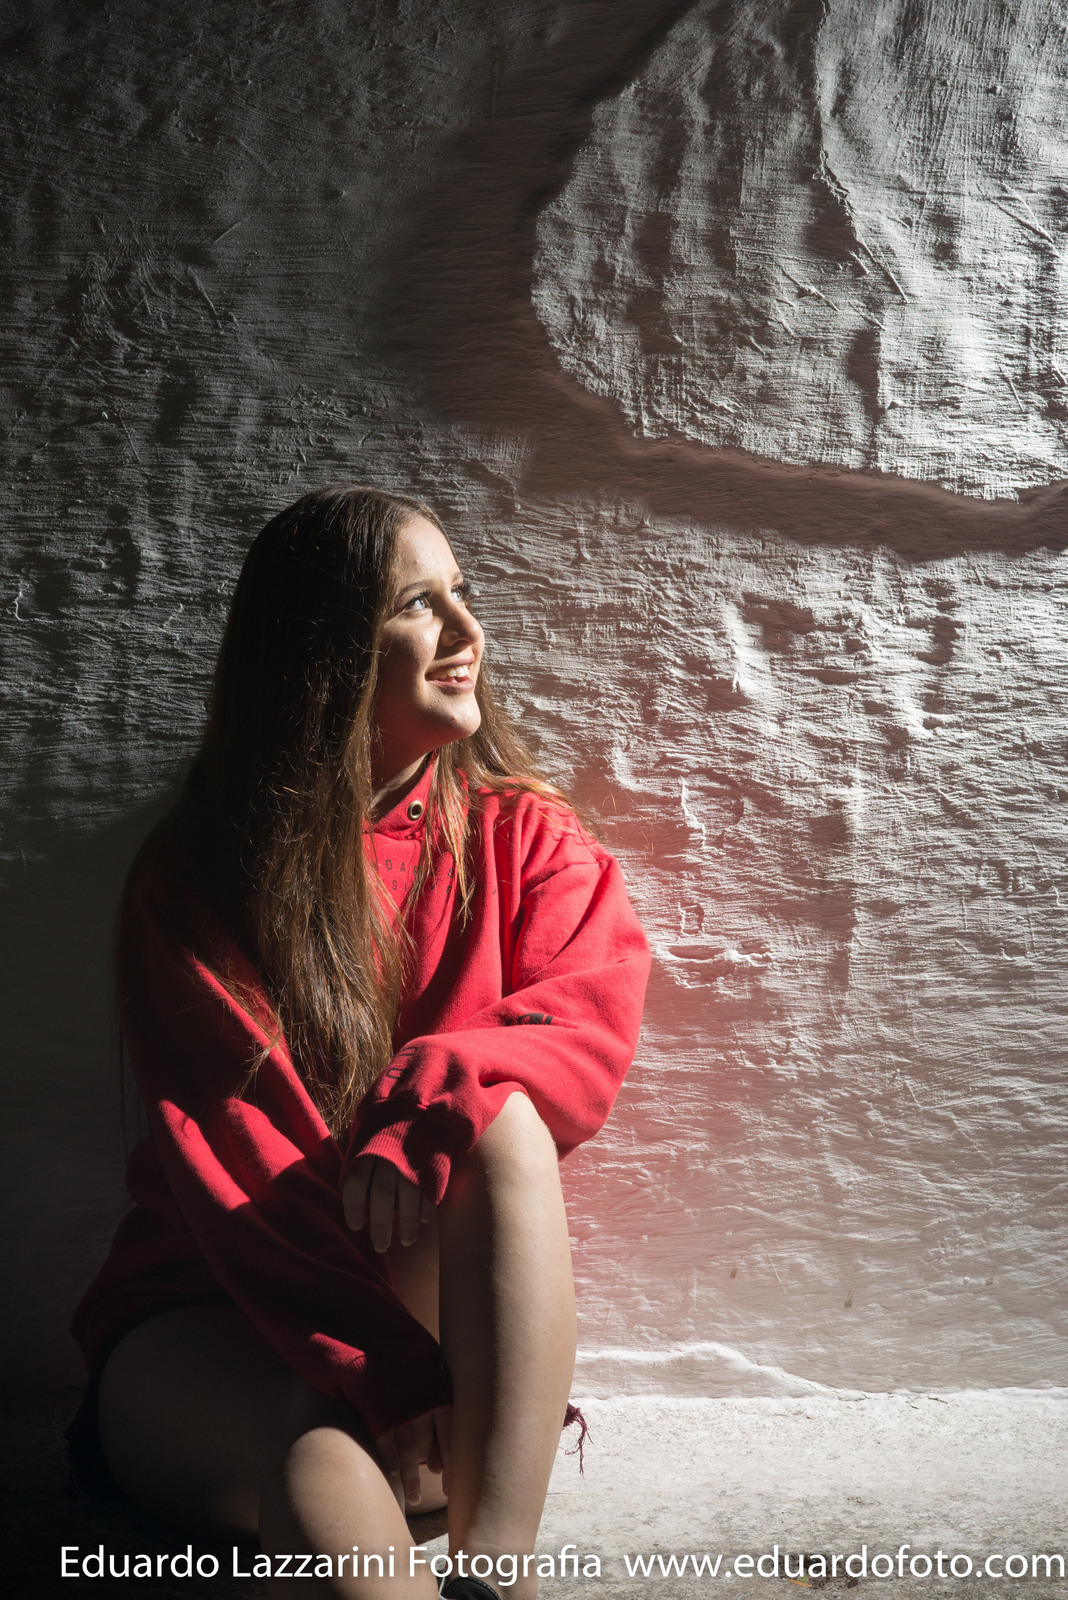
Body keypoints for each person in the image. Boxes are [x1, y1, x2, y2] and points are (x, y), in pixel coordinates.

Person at [68, 485, 651, 1599]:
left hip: (428, 1363)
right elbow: (235, 1158)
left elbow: (586, 1029)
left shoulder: (527, 838)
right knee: (313, 1458)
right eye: (418, 605)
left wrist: (428, 1089)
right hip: (220, 1322)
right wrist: (379, 1371)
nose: (468, 632)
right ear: (324, 650)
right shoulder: (199, 879)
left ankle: (498, 1572)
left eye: (462, 594)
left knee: (500, 1117)